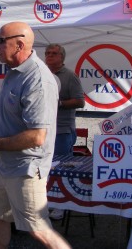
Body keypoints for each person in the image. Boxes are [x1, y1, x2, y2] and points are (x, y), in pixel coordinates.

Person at [0, 22, 70, 249]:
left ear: (19, 44)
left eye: (1, 41)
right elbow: (8, 115)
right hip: (4, 165)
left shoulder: (38, 80)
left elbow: (37, 137)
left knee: (39, 229)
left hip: (26, 168)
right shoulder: (13, 73)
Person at [44, 43, 85, 220]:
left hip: (62, 131)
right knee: (44, 169)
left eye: (54, 53)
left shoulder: (70, 76)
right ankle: (47, 203)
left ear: (62, 57)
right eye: (47, 53)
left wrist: (59, 103)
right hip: (43, 130)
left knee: (60, 169)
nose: (50, 56)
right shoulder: (42, 74)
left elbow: (80, 101)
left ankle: (60, 205)